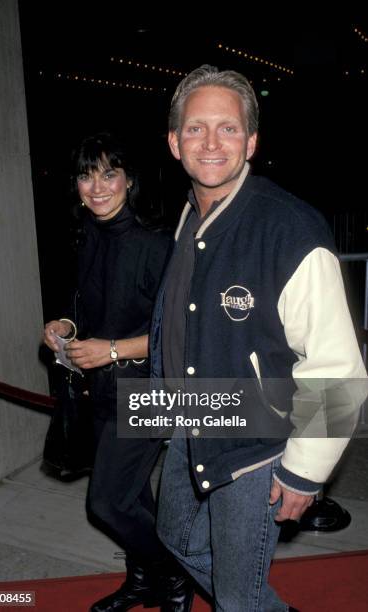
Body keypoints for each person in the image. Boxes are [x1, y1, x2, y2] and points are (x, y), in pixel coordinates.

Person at [149, 65, 367, 611]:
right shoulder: (189, 215)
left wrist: (304, 472)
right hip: (191, 418)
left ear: (251, 141)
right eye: (196, 128)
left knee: (236, 599)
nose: (212, 142)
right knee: (175, 538)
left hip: (259, 446)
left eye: (228, 128)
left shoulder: (290, 228)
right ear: (175, 142)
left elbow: (338, 367)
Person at [43, 132, 194, 611]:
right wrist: (65, 325)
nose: (97, 186)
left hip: (150, 389)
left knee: (105, 502)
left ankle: (174, 573)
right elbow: (86, 304)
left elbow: (182, 331)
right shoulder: (88, 235)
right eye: (86, 175)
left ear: (130, 181)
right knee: (131, 499)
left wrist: (111, 350)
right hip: (103, 390)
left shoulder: (155, 245)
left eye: (109, 173)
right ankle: (144, 579)